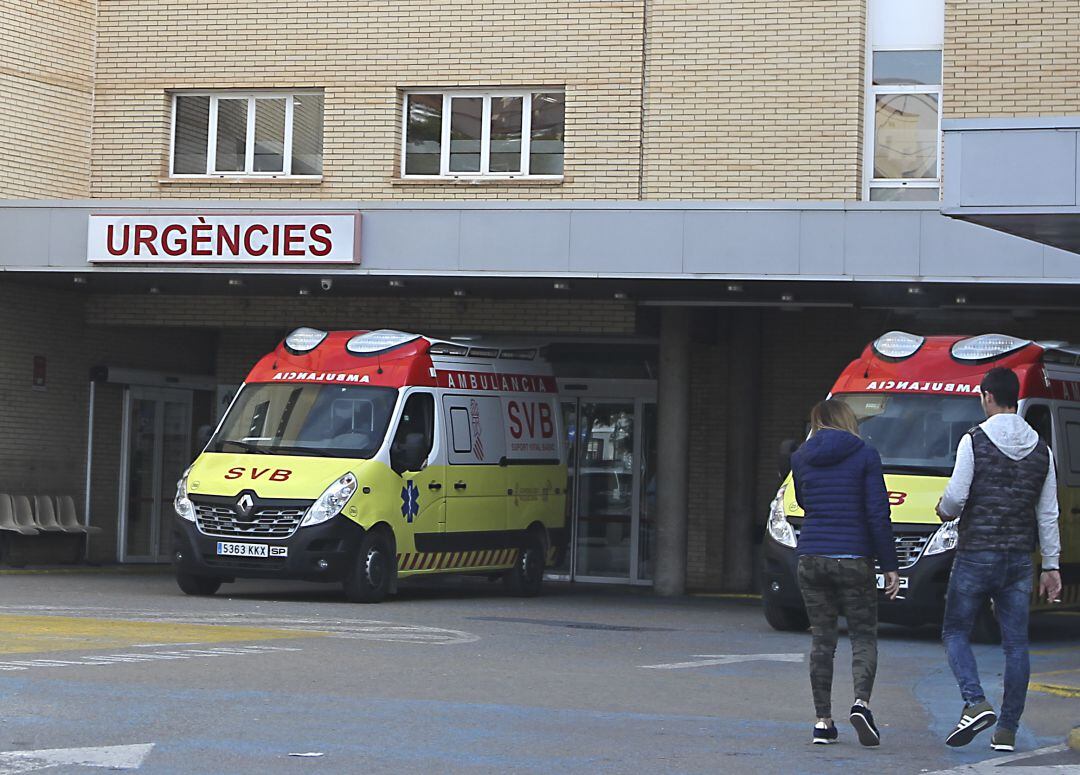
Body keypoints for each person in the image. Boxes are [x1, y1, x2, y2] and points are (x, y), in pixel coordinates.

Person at [935, 367, 1062, 752]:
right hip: (1020, 559)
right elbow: (1048, 513)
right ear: (1016, 398)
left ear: (987, 396)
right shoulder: (1042, 450)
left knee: (955, 631)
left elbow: (956, 499)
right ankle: (1006, 730)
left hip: (976, 554)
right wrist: (1052, 565)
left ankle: (975, 702)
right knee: (1015, 645)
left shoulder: (974, 440)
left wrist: (942, 508)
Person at [791, 399, 900, 747]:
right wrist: (890, 566)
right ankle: (860, 705)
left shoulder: (800, 457)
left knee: (822, 640)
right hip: (854, 558)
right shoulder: (865, 454)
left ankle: (822, 722)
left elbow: (806, 502)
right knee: (863, 636)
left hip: (812, 556)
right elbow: (877, 514)